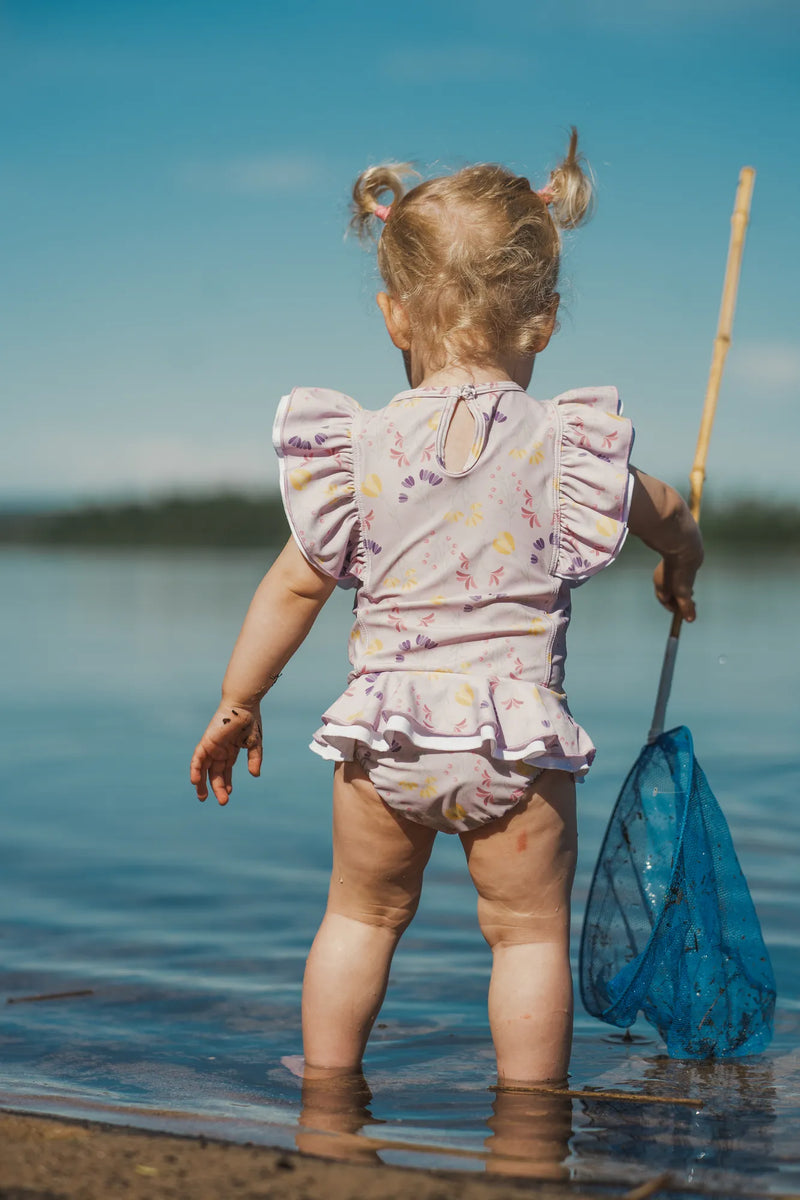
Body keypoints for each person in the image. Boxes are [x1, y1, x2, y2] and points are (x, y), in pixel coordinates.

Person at [190, 129, 703, 1088]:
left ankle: (328, 1102)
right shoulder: (566, 446)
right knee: (525, 940)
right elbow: (665, 512)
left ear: (393, 315)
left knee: (358, 917)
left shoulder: (362, 446)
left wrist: (238, 704)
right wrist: (685, 559)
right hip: (513, 743)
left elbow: (294, 585)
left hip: (384, 734)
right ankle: (527, 1135)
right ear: (544, 320)